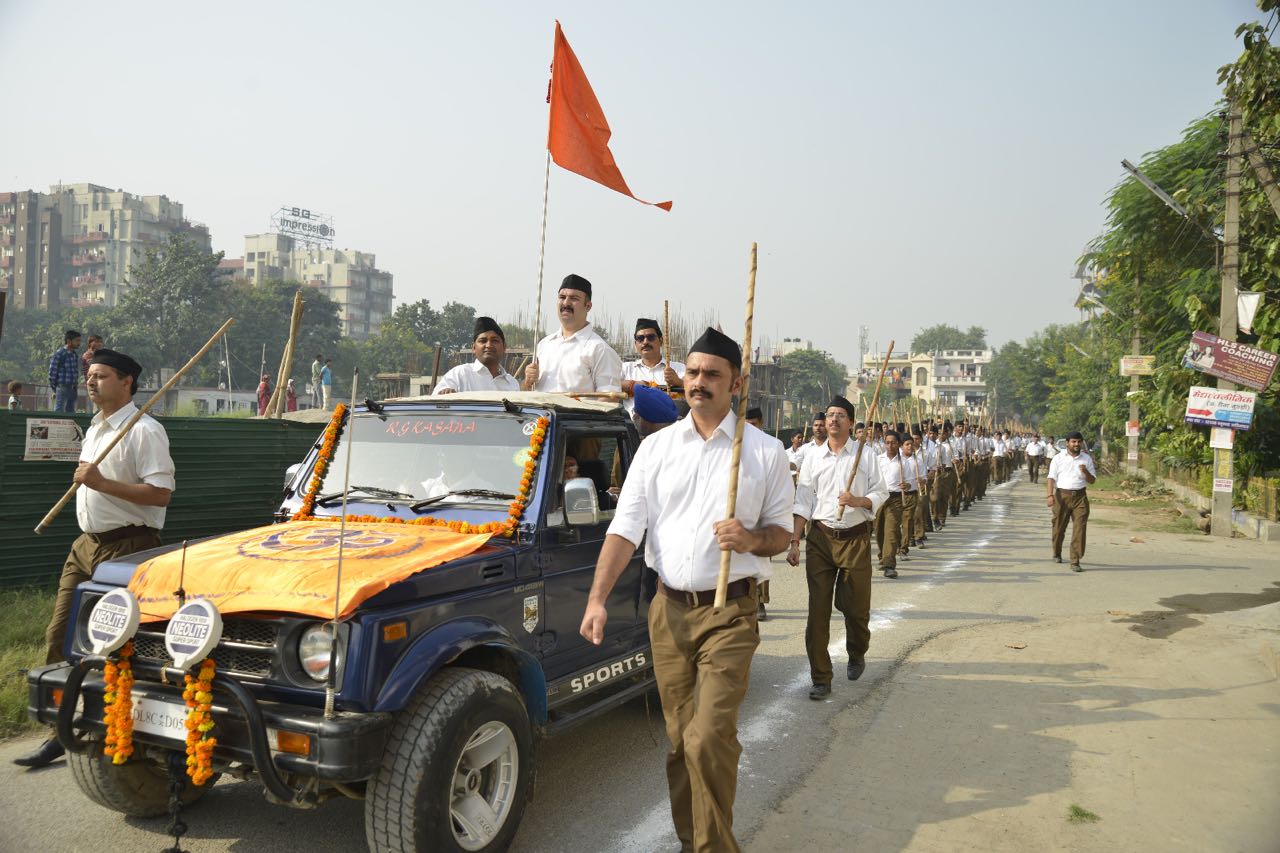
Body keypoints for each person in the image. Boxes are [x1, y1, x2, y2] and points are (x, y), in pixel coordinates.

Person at [579, 327, 792, 852]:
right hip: (668, 613)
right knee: (680, 743)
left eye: (712, 375)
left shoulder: (763, 453)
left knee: (708, 737)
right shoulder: (654, 450)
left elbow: (784, 534)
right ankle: (689, 838)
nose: (699, 383)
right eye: (693, 372)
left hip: (730, 612)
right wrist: (597, 599)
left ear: (736, 383)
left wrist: (749, 537)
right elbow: (625, 530)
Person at [15, 349, 174, 769]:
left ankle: (125, 727)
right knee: (60, 634)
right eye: (89, 375)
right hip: (84, 546)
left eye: (100, 375)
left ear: (126, 383)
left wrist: (102, 482)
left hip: (129, 546)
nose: (90, 381)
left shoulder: (145, 431)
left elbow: (160, 495)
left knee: (117, 643)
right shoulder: (96, 428)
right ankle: (58, 730)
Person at [789, 395, 888, 700]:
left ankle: (857, 651)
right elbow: (803, 502)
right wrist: (795, 541)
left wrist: (858, 501)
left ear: (850, 422)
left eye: (840, 415)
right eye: (830, 414)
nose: (833, 420)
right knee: (817, 611)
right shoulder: (812, 458)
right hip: (820, 539)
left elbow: (881, 491)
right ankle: (821, 677)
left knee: (856, 609)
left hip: (855, 538)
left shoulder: (866, 455)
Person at [523, 274, 623, 394]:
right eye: (562, 297)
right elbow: (526, 394)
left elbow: (609, 400)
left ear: (588, 306)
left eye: (574, 298)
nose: (566, 303)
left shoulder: (599, 350)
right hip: (541, 413)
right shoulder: (543, 345)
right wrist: (527, 383)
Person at [1046, 431, 1096, 571]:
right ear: (1067, 443)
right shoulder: (1058, 458)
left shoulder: (1086, 459)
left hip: (1080, 497)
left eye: (1079, 442)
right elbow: (1051, 478)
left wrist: (1085, 472)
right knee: (1058, 528)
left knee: (1079, 528)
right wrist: (1050, 496)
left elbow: (1092, 481)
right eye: (1073, 441)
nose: (1076, 444)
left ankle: (1075, 560)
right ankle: (1056, 551)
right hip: (1061, 496)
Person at [434, 317, 521, 394]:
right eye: (483, 341)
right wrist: (444, 395)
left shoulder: (512, 384)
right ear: (474, 347)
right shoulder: (459, 375)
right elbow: (435, 404)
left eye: (495, 340)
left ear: (504, 347)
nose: (489, 345)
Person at [621, 317, 684, 413]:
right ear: (635, 344)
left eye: (650, 337)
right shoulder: (626, 369)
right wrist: (632, 386)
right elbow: (605, 385)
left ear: (661, 341)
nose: (645, 342)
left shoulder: (678, 369)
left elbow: (696, 389)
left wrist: (678, 382)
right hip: (632, 425)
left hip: (671, 424)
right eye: (640, 338)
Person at [876, 430, 907, 577]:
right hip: (879, 498)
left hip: (895, 499)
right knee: (879, 530)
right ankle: (883, 556)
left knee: (892, 531)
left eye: (893, 443)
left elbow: (913, 482)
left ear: (899, 444)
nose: (890, 446)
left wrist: (906, 485)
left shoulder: (904, 461)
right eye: (887, 442)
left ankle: (889, 564)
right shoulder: (878, 460)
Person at [48, 329, 82, 413]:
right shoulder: (60, 354)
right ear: (69, 341)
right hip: (62, 387)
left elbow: (75, 372)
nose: (79, 343)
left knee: (70, 412)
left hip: (72, 388)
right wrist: (55, 387)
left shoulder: (74, 354)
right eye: (77, 341)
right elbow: (52, 373)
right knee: (59, 411)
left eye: (79, 341)